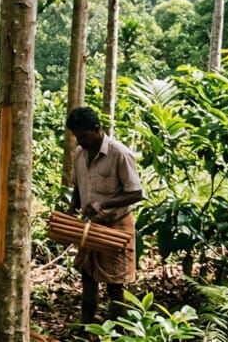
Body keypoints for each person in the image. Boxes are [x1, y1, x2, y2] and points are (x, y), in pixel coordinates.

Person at [66, 106, 144, 324]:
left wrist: (104, 204)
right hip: (91, 226)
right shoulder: (80, 153)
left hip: (116, 224)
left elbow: (136, 193)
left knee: (115, 284)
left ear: (97, 129)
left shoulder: (120, 153)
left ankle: (120, 333)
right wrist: (72, 211)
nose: (79, 140)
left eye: (82, 135)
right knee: (88, 277)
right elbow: (77, 187)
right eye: (76, 136)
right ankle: (86, 328)